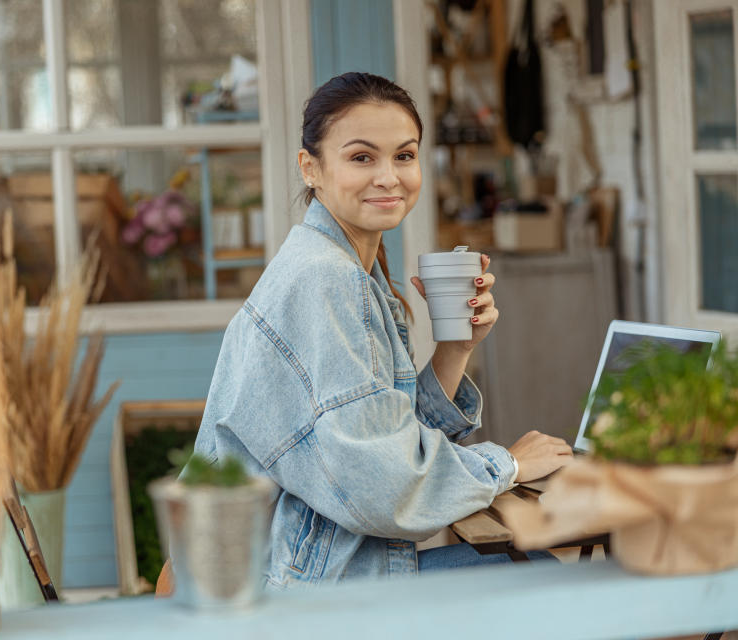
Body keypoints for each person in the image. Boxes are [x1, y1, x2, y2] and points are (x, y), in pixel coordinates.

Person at [188, 72, 573, 589]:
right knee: (545, 580)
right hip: (294, 599)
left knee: (530, 570)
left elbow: (374, 440)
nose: (389, 176)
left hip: (294, 578)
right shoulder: (325, 279)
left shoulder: (345, 267)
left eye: (405, 155)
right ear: (311, 169)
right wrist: (508, 465)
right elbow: (383, 488)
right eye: (362, 157)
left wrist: (455, 348)